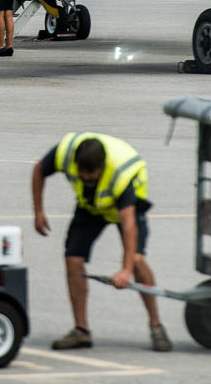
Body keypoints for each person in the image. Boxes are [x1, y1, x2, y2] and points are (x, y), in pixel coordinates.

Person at [31, 132, 172, 353]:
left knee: (136, 260)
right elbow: (39, 170)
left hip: (125, 209)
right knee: (73, 259)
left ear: (103, 167)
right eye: (82, 174)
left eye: (91, 175)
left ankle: (156, 324)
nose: (85, 178)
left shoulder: (120, 175)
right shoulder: (65, 153)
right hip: (92, 206)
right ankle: (81, 330)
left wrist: (125, 270)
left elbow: (128, 225)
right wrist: (38, 211)